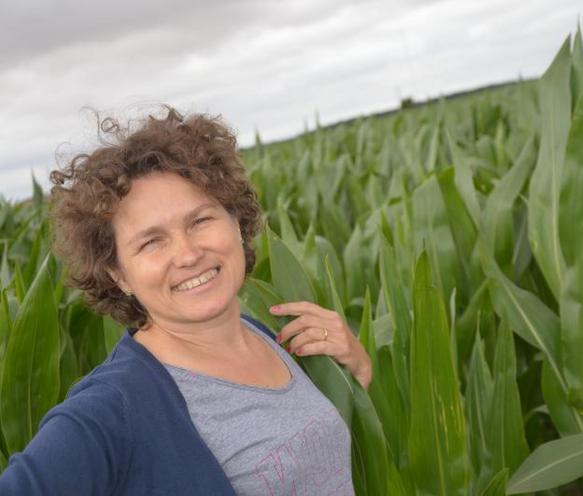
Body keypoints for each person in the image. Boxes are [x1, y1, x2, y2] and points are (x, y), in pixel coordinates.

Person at [0, 107, 371, 495]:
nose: (188, 253)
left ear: (236, 223)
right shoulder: (111, 408)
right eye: (151, 242)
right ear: (119, 274)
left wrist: (354, 375)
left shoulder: (266, 336)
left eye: (200, 221)